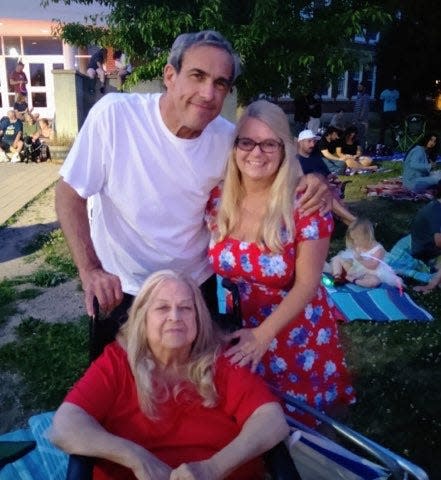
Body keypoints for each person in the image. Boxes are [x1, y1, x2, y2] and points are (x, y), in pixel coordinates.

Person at [55, 30, 330, 326]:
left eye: (220, 83)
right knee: (118, 372)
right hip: (123, 288)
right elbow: (69, 194)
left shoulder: (228, 140)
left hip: (195, 289)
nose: (208, 93)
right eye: (197, 76)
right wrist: (91, 270)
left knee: (198, 372)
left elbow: (279, 166)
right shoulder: (115, 117)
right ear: (170, 75)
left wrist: (314, 182)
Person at [51, 269, 289, 480]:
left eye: (185, 308)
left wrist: (213, 469)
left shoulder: (220, 359)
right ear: (142, 318)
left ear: (198, 319)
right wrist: (136, 457)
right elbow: (65, 424)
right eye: (162, 307)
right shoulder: (118, 362)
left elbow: (271, 419)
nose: (175, 317)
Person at [206, 100, 355, 425]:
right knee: (249, 426)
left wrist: (264, 335)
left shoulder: (305, 203)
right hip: (239, 329)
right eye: (247, 142)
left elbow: (308, 283)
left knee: (303, 435)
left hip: (295, 333)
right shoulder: (218, 201)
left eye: (269, 143)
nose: (256, 152)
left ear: (284, 148)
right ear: (234, 147)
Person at [297, 129, 356, 225]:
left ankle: (353, 224)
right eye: (309, 141)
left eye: (314, 141)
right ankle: (356, 222)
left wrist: (332, 178)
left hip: (327, 188)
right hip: (311, 194)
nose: (312, 144)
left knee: (340, 203)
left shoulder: (316, 158)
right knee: (328, 194)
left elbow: (327, 174)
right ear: (300, 142)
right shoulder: (295, 161)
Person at [330, 218, 403, 288]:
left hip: (370, 273)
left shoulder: (378, 249)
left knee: (374, 281)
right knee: (337, 258)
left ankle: (355, 281)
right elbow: (352, 258)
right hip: (355, 269)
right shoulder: (359, 245)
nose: (355, 242)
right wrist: (352, 260)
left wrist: (360, 260)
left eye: (357, 239)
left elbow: (373, 265)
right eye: (353, 239)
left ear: (367, 236)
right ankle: (337, 277)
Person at [411, 192, 441, 294]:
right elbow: (439, 242)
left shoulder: (436, 205)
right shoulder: (436, 212)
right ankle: (431, 285)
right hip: (426, 253)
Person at [378, 82, 400, 146]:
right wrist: (381, 111)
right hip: (385, 112)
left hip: (393, 113)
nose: (391, 86)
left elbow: (398, 102)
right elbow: (381, 102)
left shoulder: (396, 92)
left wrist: (398, 112)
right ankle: (381, 142)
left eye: (393, 85)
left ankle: (395, 142)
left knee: (393, 128)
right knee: (383, 128)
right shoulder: (384, 92)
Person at [352, 83, 370, 148]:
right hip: (356, 119)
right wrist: (354, 119)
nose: (358, 88)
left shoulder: (365, 96)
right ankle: (356, 149)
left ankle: (362, 149)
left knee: (361, 135)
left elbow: (364, 108)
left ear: (364, 88)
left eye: (360, 87)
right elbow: (356, 108)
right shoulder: (358, 96)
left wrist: (360, 117)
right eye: (358, 87)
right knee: (356, 135)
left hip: (361, 120)